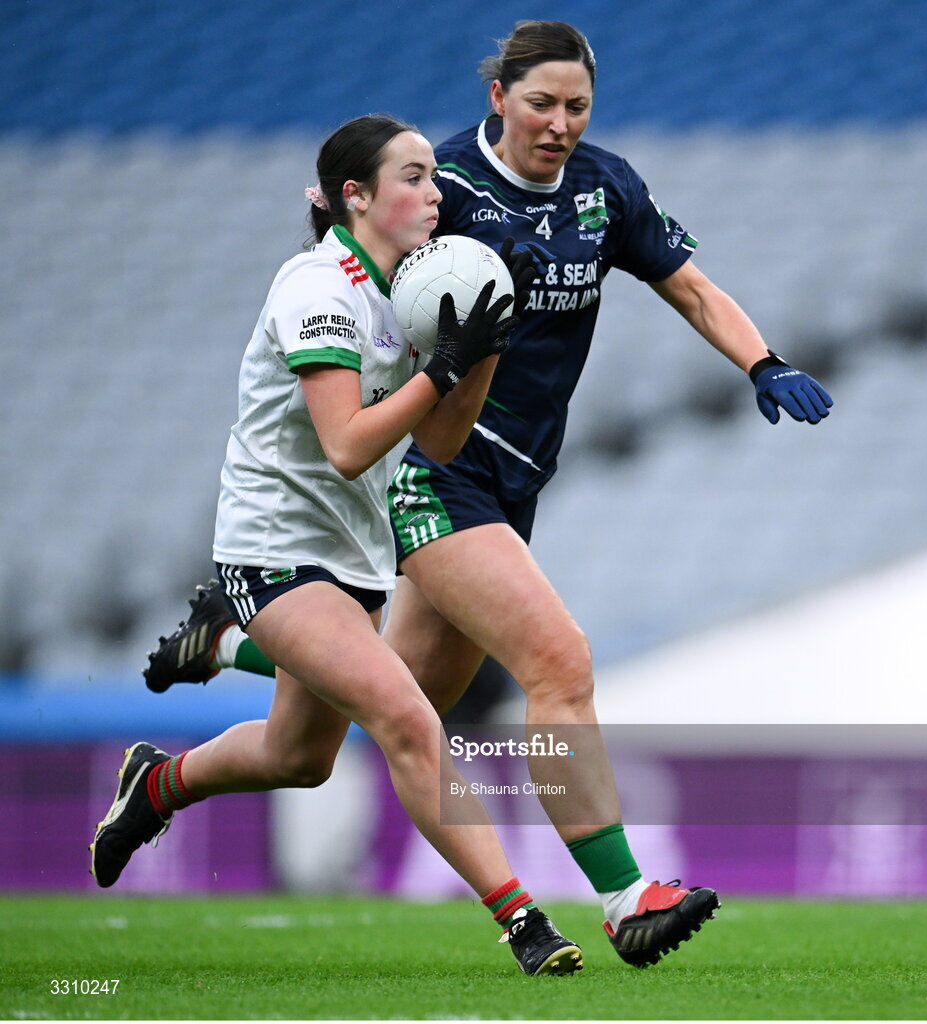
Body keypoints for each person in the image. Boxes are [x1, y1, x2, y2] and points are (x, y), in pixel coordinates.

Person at [143, 21, 833, 968]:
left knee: (372, 718)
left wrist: (763, 360)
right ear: (498, 97)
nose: (559, 123)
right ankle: (628, 893)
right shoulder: (446, 188)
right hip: (437, 470)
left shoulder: (606, 187)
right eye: (540, 103)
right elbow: (353, 298)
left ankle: (201, 697)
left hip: (516, 480)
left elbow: (692, 287)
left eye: (576, 106)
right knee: (560, 662)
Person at [90, 113, 585, 978]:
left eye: (435, 177)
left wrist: (483, 356)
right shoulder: (317, 284)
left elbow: (435, 445)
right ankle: (524, 923)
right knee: (405, 716)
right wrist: (441, 367)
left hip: (354, 554)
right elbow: (350, 444)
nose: (436, 193)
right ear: (355, 197)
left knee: (301, 758)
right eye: (415, 177)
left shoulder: (408, 289)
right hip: (273, 549)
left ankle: (157, 781)